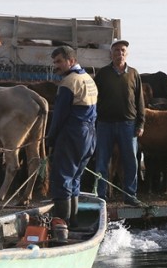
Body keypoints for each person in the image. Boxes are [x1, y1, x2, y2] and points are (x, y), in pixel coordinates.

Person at [45, 45, 98, 228]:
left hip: (72, 133)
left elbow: (59, 116)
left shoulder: (68, 83)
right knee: (75, 177)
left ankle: (62, 225)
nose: (56, 66)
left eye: (59, 61)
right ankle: (74, 222)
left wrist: (51, 138)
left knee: (62, 178)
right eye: (54, 62)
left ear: (71, 61)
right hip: (90, 133)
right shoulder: (88, 79)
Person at [92, 38, 146, 205]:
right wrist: (93, 121)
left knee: (130, 161)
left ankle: (130, 195)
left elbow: (140, 100)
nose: (120, 53)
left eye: (123, 51)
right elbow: (94, 98)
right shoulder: (102, 74)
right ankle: (101, 196)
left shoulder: (133, 73)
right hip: (105, 124)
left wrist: (141, 123)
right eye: (116, 50)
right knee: (102, 161)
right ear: (111, 53)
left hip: (128, 124)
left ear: (127, 54)